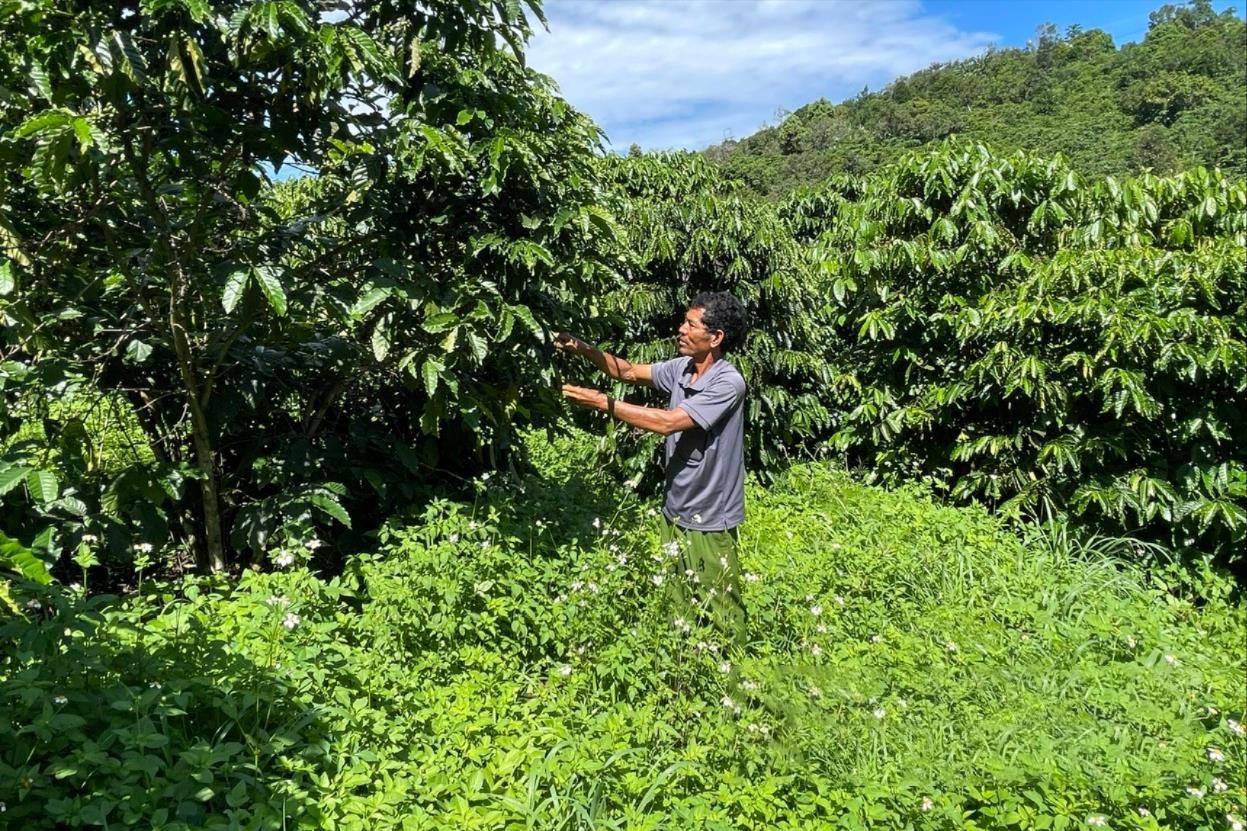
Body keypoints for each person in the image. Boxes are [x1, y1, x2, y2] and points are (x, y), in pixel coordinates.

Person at [555, 291, 749, 649]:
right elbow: (627, 371)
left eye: (690, 324)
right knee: (678, 601)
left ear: (716, 337)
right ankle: (682, 669)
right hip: (674, 508)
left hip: (710, 516)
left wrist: (603, 402)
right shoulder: (681, 368)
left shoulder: (728, 383)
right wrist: (583, 348)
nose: (681, 329)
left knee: (721, 607)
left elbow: (669, 422)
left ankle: (731, 684)